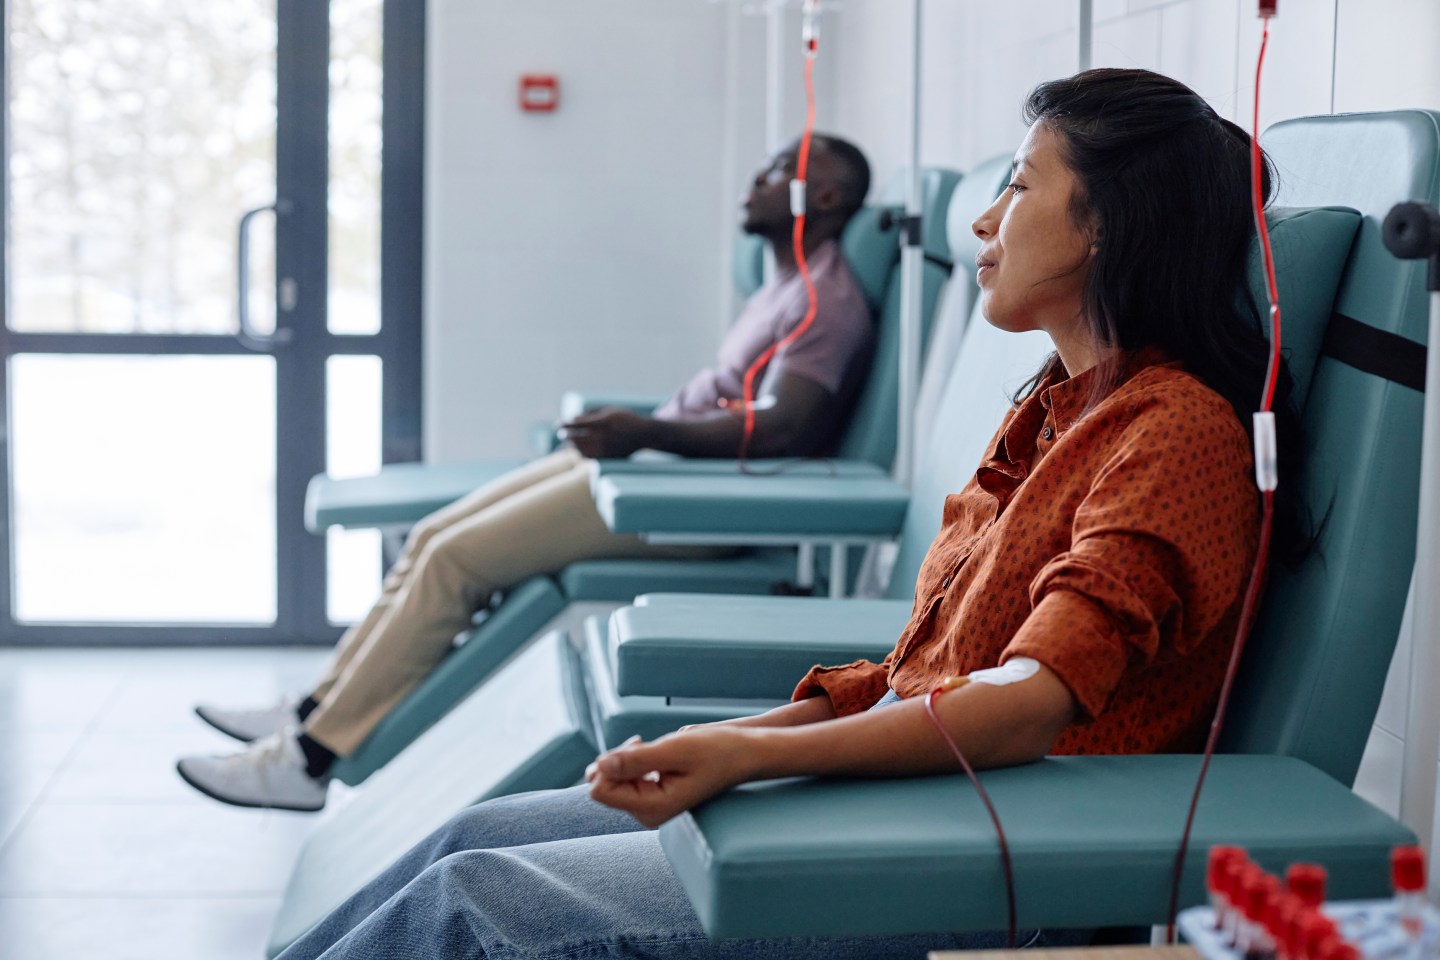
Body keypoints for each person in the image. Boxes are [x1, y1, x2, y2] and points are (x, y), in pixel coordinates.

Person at [271, 67, 1312, 959]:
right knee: (474, 837)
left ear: (1107, 228)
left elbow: (1027, 705)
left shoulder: (1173, 434)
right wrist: (735, 735)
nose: (988, 222)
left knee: (476, 905)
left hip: (994, 859)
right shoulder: (1051, 412)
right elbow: (927, 675)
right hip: (917, 801)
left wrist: (752, 759)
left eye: (1019, 184)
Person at [176, 134, 876, 812]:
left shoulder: (827, 302)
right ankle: (314, 708)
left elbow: (788, 426)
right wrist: (637, 434)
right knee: (433, 535)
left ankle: (309, 760)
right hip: (656, 473)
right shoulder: (785, 286)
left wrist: (645, 433)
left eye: (779, 168)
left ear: (824, 193)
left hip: (688, 499)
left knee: (454, 561)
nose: (757, 177)